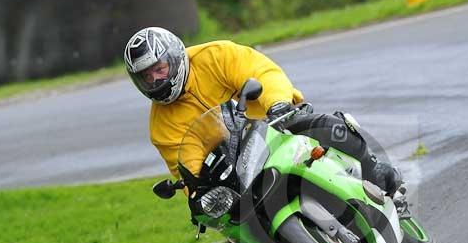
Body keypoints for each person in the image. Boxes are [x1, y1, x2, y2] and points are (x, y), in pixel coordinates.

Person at [124, 26, 401, 197]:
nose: (156, 81)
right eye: (146, 77)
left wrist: (277, 103)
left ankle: (372, 170)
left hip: (273, 122)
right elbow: (185, 170)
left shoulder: (216, 55)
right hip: (234, 166)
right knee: (238, 229)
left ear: (174, 58)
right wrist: (201, 194)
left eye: (159, 69)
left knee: (322, 124)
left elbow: (261, 71)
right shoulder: (161, 127)